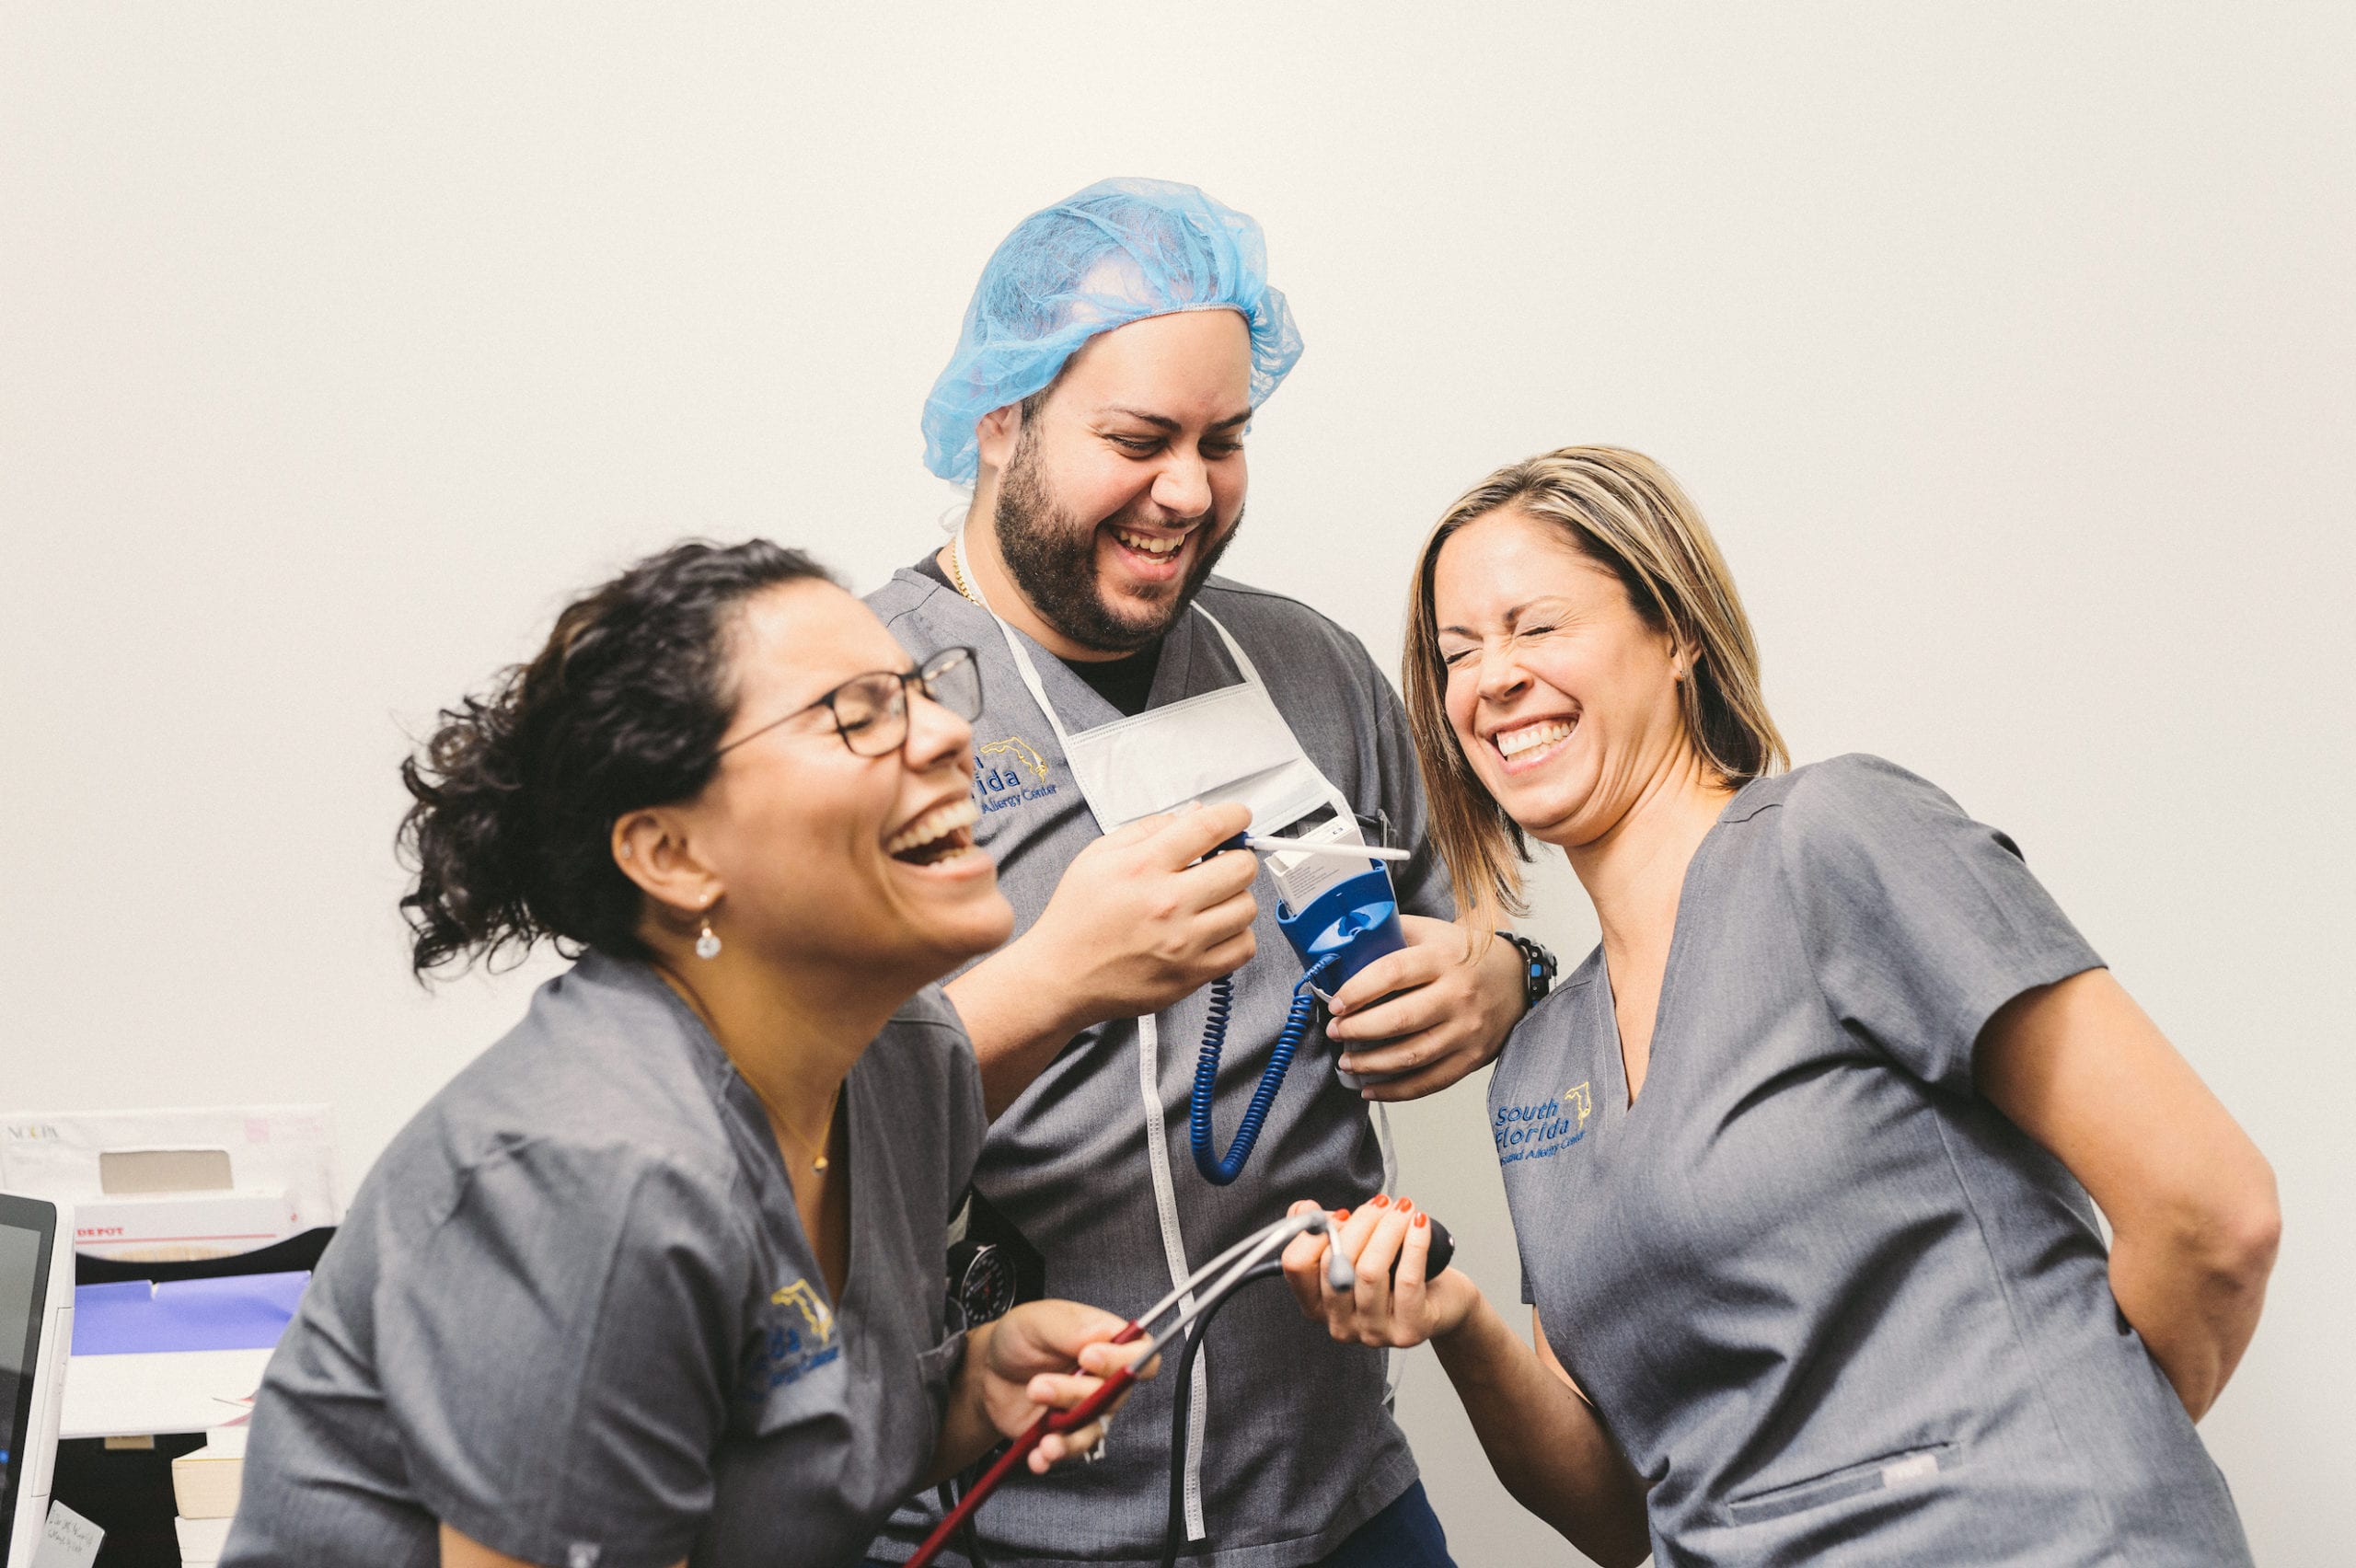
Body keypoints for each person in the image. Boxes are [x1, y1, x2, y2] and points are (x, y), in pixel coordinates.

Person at [1280, 445, 2281, 1565]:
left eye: (1538, 626)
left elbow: (2210, 1212)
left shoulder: (1837, 839)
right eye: (1457, 654)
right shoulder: (1539, 1065)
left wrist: (2078, 1478)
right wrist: (1455, 1318)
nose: (1490, 680)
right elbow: (1621, 1510)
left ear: (1676, 633)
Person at [224, 540, 1147, 1568]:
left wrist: (970, 1388)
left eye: (923, 692)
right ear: (672, 855)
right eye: (856, 713)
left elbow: (766, 1443)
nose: (944, 734)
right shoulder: (597, 1175)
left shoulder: (905, 1065)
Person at [861, 180, 1537, 1567]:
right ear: (1003, 421)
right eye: (1138, 439)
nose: (1187, 491)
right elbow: (776, 1137)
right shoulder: (864, 707)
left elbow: (1477, 911)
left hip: (1338, 1502)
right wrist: (1049, 986)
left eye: (1223, 442)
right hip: (1014, 1524)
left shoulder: (1309, 667)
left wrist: (1499, 974)